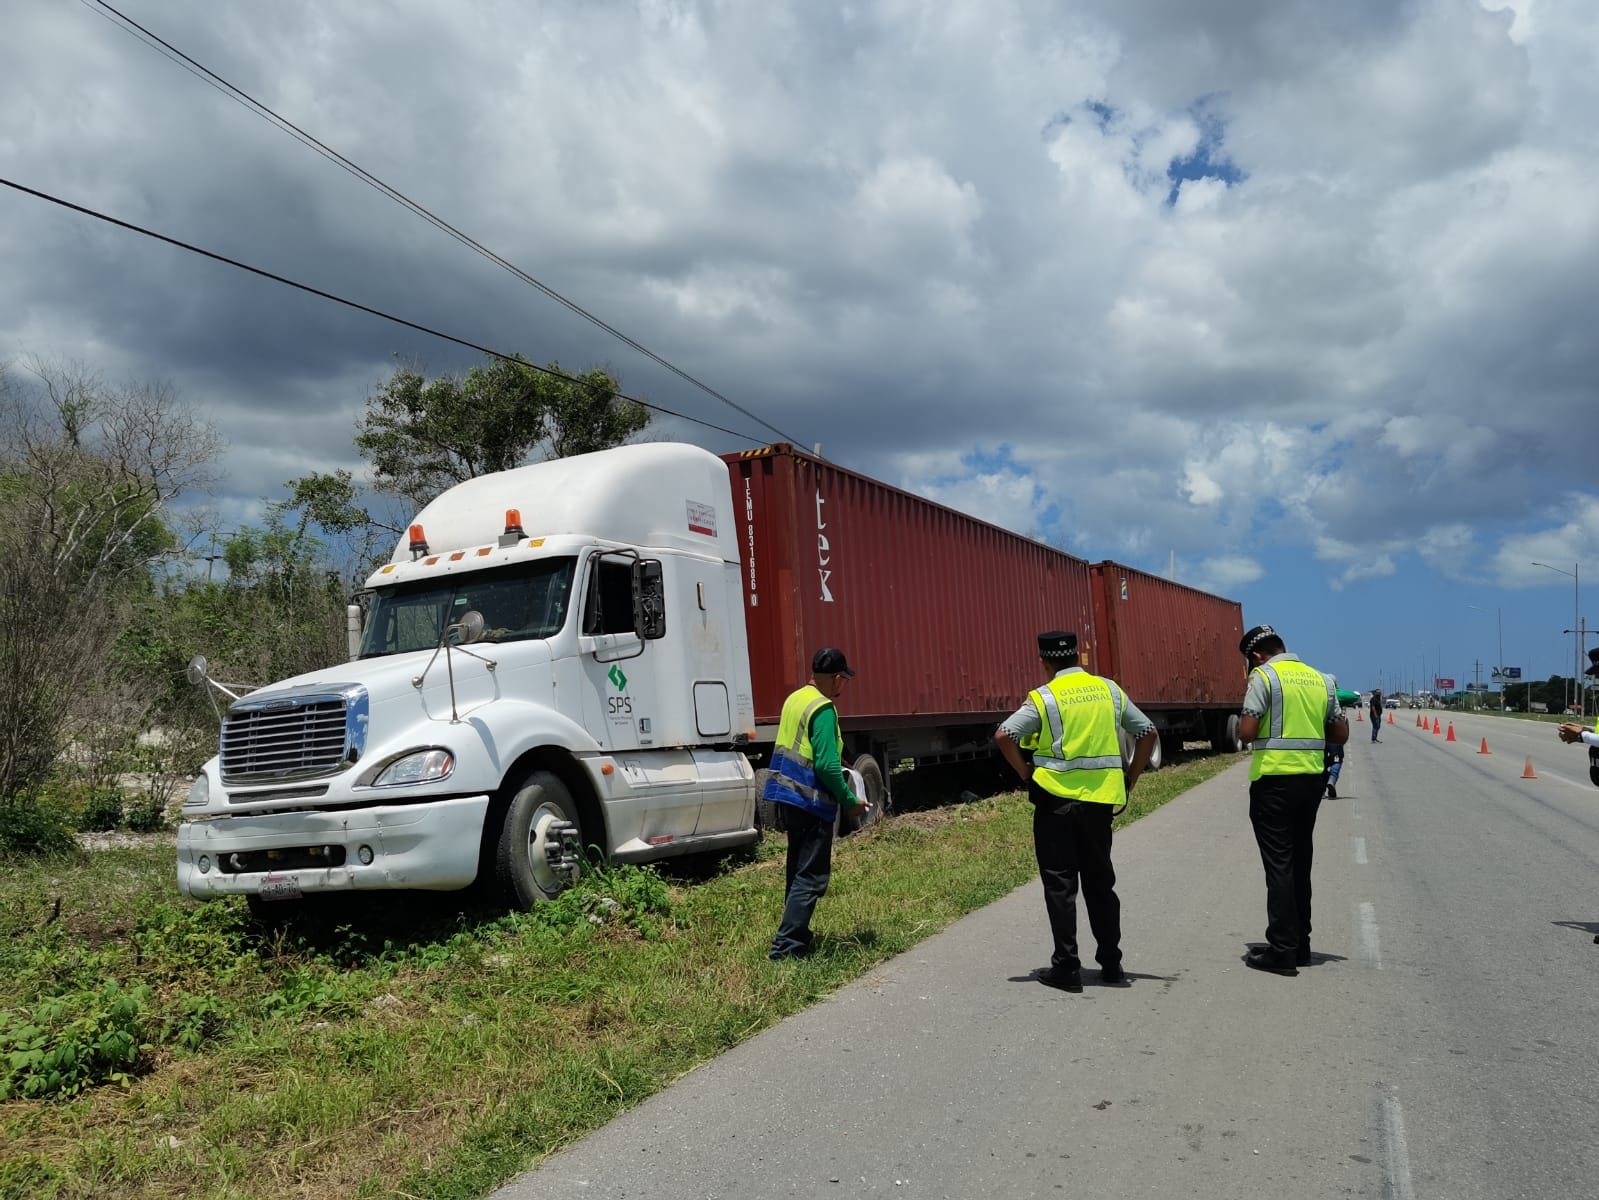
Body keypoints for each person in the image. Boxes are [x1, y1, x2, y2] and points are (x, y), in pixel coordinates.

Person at [995, 631, 1158, 992]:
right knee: (1101, 883)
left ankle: (1066, 967)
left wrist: (1026, 774)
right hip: (1099, 804)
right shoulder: (1109, 690)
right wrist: (1130, 777)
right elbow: (1147, 731)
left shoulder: (1045, 697)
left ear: (1046, 661)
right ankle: (1112, 964)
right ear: (1078, 656)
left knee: (1060, 885)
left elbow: (1005, 735)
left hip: (1055, 804)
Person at [1237, 624, 1348, 976]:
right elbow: (1339, 734)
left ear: (1256, 655)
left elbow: (1247, 732)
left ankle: (1282, 949)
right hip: (1311, 782)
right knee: (1301, 863)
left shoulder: (1264, 678)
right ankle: (1301, 945)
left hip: (1273, 782)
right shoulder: (1321, 679)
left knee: (1279, 866)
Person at [764, 647, 868, 961]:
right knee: (811, 877)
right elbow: (825, 765)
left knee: (797, 871)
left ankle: (796, 935)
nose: (843, 686)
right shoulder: (823, 709)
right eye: (843, 680)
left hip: (787, 796)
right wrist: (849, 801)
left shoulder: (795, 699)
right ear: (837, 678)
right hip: (810, 800)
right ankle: (786, 948)